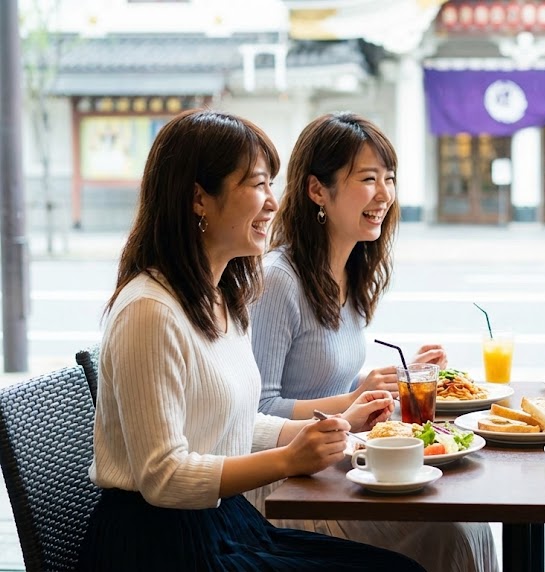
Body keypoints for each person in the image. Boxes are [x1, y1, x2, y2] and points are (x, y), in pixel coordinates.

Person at [79, 109, 423, 571]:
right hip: (159, 543)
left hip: (220, 519)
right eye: (257, 185)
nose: (273, 204)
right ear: (199, 198)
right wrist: (287, 459)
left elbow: (234, 424)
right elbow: (163, 477)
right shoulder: (150, 310)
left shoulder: (220, 297)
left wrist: (326, 430)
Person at [246, 111, 498, 572]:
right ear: (317, 190)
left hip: (341, 466)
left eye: (390, 178)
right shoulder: (279, 281)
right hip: (289, 488)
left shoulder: (351, 272)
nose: (384, 194)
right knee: (452, 530)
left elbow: (325, 380)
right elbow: (256, 411)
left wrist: (395, 379)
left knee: (469, 521)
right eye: (367, 179)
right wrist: (355, 397)